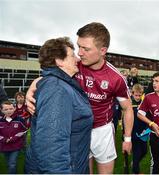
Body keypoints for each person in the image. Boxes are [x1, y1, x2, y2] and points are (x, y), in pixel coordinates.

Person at [26, 22, 134, 174]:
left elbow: (127, 108)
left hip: (102, 130)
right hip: (76, 129)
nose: (80, 54)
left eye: (86, 49)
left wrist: (127, 139)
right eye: (78, 47)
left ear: (103, 50)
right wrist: (34, 85)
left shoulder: (115, 78)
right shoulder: (75, 65)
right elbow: (53, 76)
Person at [25, 37, 93, 174]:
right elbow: (52, 147)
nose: (77, 59)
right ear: (59, 61)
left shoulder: (62, 84)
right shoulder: (56, 89)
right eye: (72, 55)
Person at [0, 100, 28, 174]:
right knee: (9, 163)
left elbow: (24, 130)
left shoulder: (20, 120)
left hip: (15, 145)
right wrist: (4, 139)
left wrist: (15, 137)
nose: (9, 111)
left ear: (14, 108)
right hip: (4, 146)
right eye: (6, 109)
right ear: (1, 110)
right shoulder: (0, 121)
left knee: (12, 164)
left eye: (11, 108)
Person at [131, 84, 148, 174]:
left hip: (143, 131)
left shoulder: (144, 103)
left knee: (145, 151)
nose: (138, 97)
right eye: (136, 95)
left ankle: (134, 163)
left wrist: (146, 128)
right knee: (136, 153)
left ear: (142, 94)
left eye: (139, 95)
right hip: (133, 132)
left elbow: (147, 116)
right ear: (132, 94)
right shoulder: (129, 103)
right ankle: (136, 172)